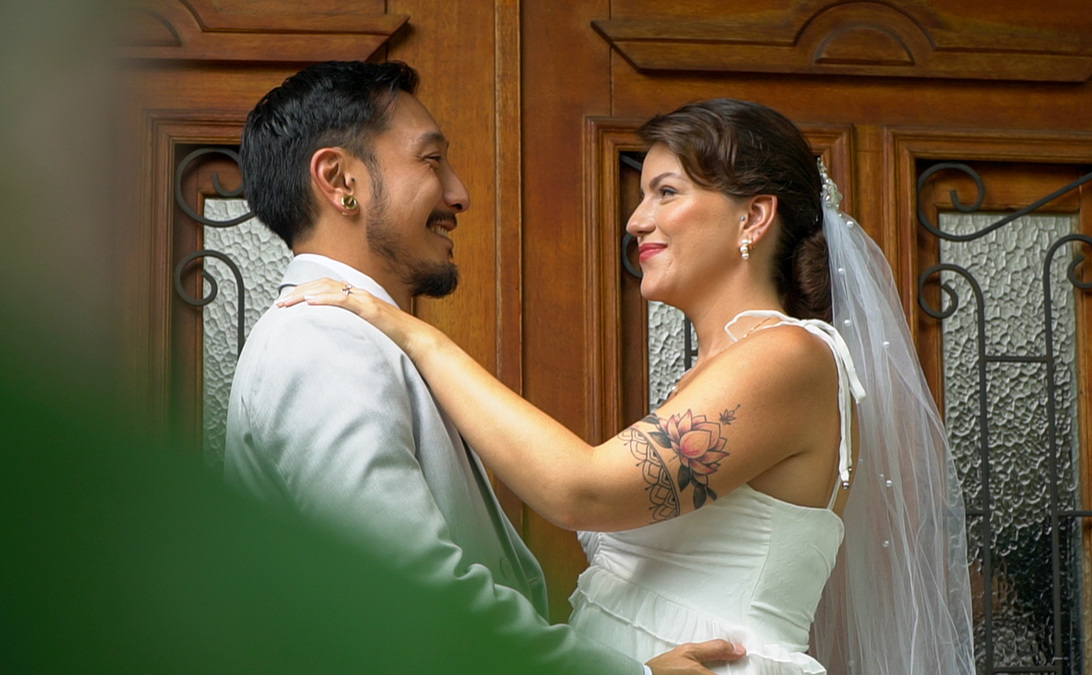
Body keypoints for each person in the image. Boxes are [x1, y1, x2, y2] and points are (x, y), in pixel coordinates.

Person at [283, 98, 976, 673]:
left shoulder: (790, 357)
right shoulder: (725, 370)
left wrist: (415, 334)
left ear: (753, 217)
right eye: (643, 196)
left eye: (666, 192)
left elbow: (582, 489)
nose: (636, 219)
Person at [223, 61, 744, 675]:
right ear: (340, 181)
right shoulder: (322, 337)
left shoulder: (358, 334)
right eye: (431, 160)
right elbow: (414, 590)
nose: (459, 194)